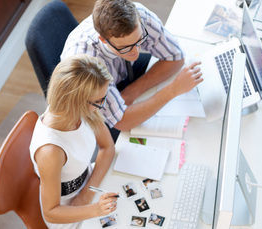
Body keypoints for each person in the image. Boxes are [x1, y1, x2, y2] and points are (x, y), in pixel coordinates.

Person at [61, 0, 203, 141]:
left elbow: (175, 57)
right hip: (94, 99)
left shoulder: (138, 15)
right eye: (126, 47)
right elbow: (122, 121)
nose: (136, 52)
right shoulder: (86, 62)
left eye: (140, 40)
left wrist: (132, 91)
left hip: (124, 75)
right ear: (103, 40)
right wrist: (173, 90)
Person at [29, 54, 118, 228]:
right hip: (69, 215)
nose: (103, 105)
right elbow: (51, 212)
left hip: (89, 190)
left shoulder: (84, 111)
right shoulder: (51, 151)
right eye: (99, 101)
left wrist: (86, 195)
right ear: (75, 102)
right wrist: (94, 209)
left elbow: (108, 148)